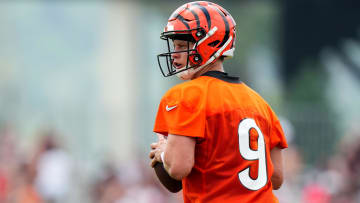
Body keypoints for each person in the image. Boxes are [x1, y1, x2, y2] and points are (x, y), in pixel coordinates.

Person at [149, 1, 288, 202]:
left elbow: (178, 168)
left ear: (208, 43)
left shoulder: (186, 95)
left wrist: (164, 154)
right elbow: (276, 177)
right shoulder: (260, 104)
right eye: (174, 46)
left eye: (181, 46)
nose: (175, 55)